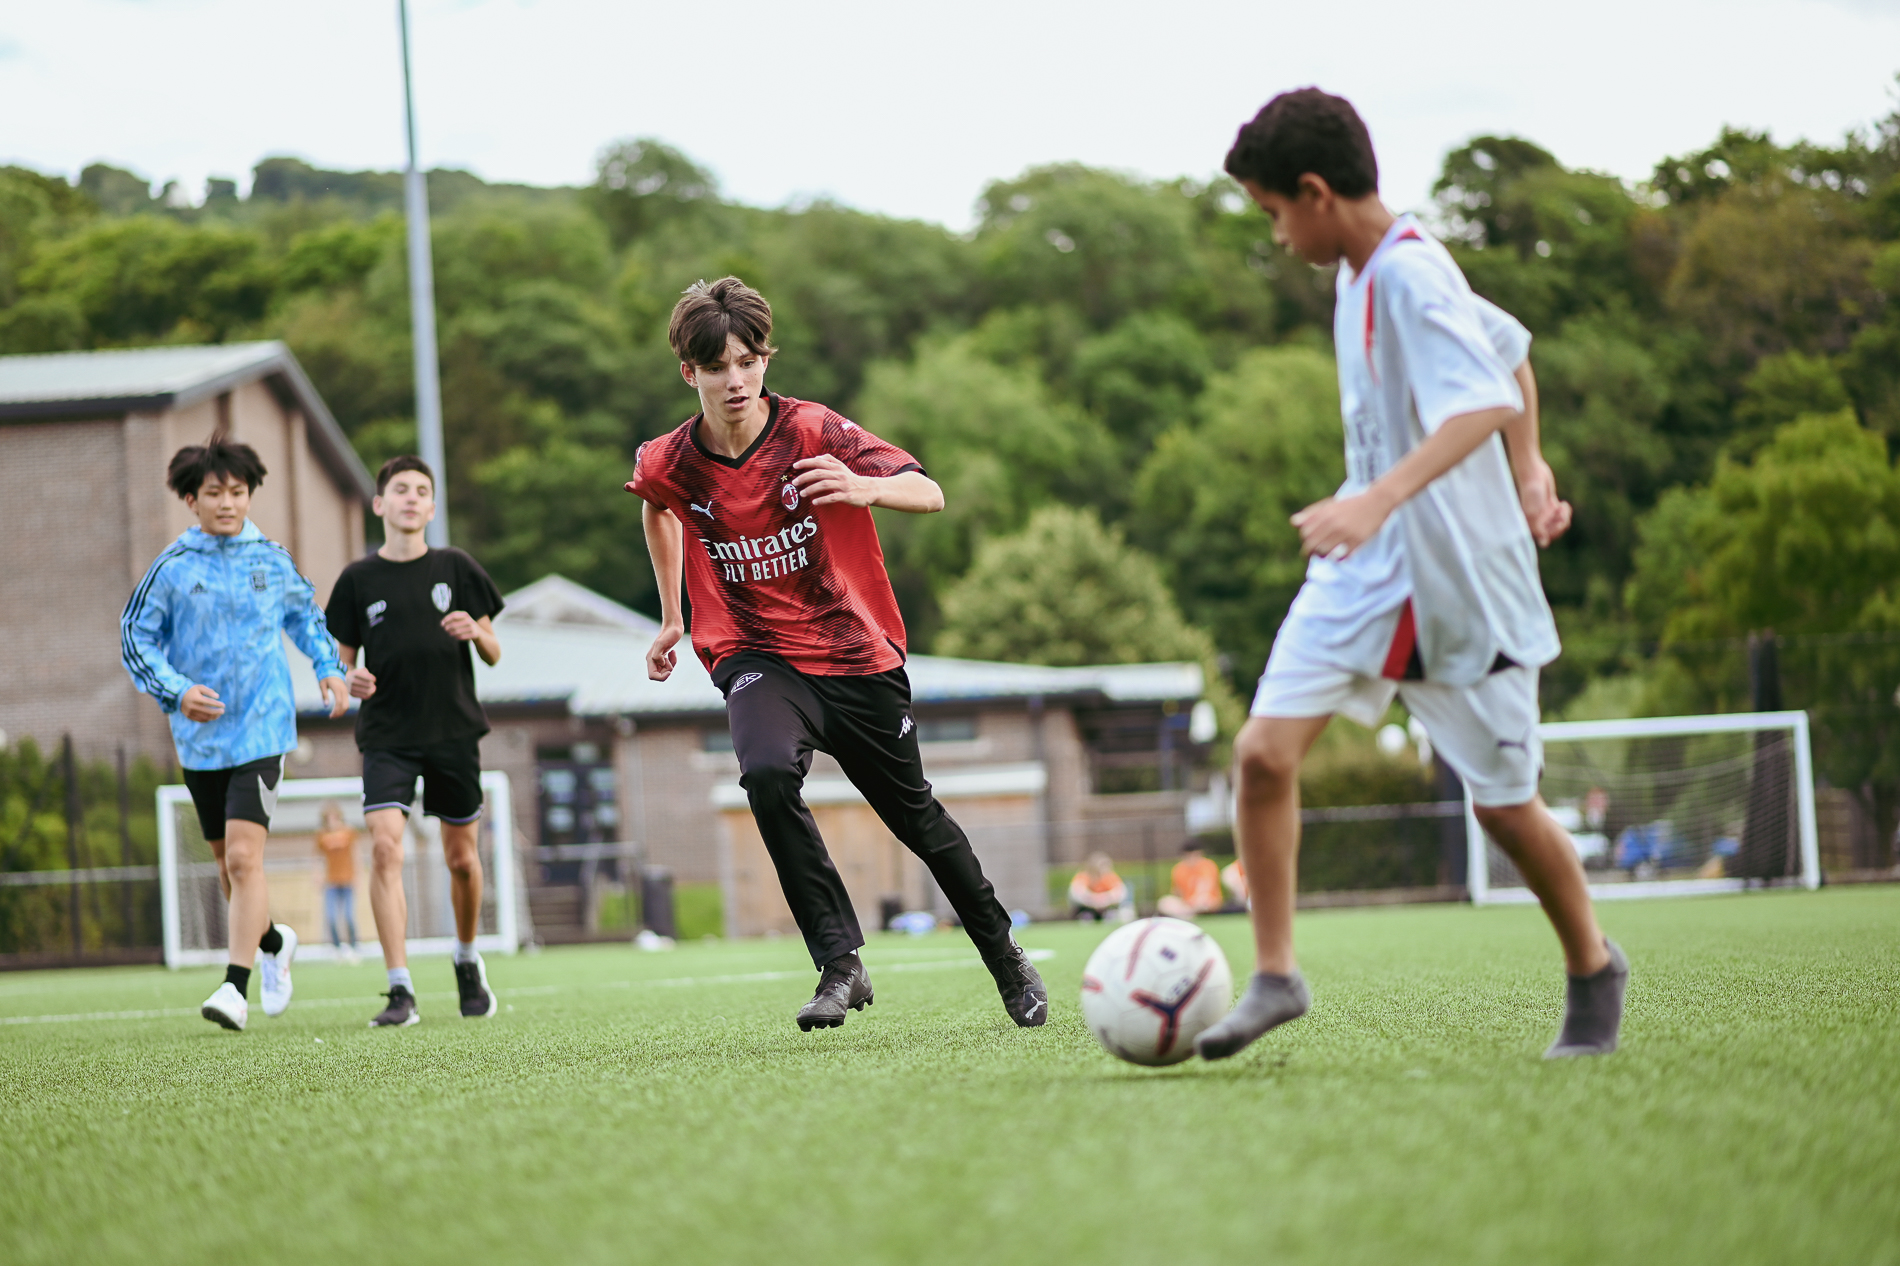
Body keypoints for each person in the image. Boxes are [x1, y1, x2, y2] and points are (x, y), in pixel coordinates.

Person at [1194, 89, 1628, 1062]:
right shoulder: (1357, 272)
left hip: (1462, 583)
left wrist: (1392, 494)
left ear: (1315, 193)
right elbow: (1512, 357)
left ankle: (1593, 966)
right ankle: (1275, 975)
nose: (1274, 236)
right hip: (1363, 574)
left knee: (1504, 809)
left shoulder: (1411, 276)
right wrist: (1528, 466)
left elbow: (1477, 397)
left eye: (1272, 214)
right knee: (1262, 756)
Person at [629, 277, 1047, 1031]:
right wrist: (670, 615)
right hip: (755, 655)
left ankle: (1006, 958)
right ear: (687, 371)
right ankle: (840, 963)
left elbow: (931, 492)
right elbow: (657, 507)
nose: (736, 380)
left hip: (857, 659)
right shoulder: (670, 459)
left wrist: (863, 488)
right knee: (763, 773)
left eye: (749, 361)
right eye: (718, 366)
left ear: (765, 360)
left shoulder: (813, 430)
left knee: (918, 821)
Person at [121, 439, 349, 1032]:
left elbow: (306, 616)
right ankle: (274, 941)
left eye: (238, 492)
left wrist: (328, 668)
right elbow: (134, 639)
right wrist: (176, 690)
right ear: (192, 499)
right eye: (215, 493)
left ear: (250, 496)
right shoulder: (172, 570)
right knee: (230, 869)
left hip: (264, 730)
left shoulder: (270, 559)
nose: (228, 503)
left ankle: (234, 987)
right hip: (200, 743)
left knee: (247, 859)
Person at [324, 456, 504, 1028]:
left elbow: (495, 650)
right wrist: (346, 679)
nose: (410, 498)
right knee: (383, 848)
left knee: (462, 861)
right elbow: (339, 663)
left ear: (431, 507)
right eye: (399, 489)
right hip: (387, 735)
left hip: (452, 731)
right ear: (379, 504)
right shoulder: (357, 580)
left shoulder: (456, 567)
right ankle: (399, 988)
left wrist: (476, 632)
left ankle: (467, 959)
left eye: (421, 491)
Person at [315, 802, 360, 963]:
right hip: (331, 882)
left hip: (347, 880)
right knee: (331, 917)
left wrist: (358, 876)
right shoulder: (322, 835)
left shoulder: (348, 832)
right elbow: (318, 857)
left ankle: (354, 947)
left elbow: (355, 853)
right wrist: (318, 875)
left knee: (349, 916)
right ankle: (336, 948)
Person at [1157, 844, 1224, 919]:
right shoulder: (1179, 869)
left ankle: (1188, 914)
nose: (1192, 859)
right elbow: (1177, 892)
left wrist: (1194, 900)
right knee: (1164, 902)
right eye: (1189, 856)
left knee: (1203, 900)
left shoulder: (1207, 865)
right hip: (1187, 904)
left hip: (1205, 900)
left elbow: (1206, 886)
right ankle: (1190, 914)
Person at [1069, 852, 1130, 921]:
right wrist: (1094, 899)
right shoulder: (1084, 876)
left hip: (1106, 907)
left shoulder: (1109, 877)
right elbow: (1077, 893)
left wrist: (1104, 898)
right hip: (1088, 907)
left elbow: (1120, 892)